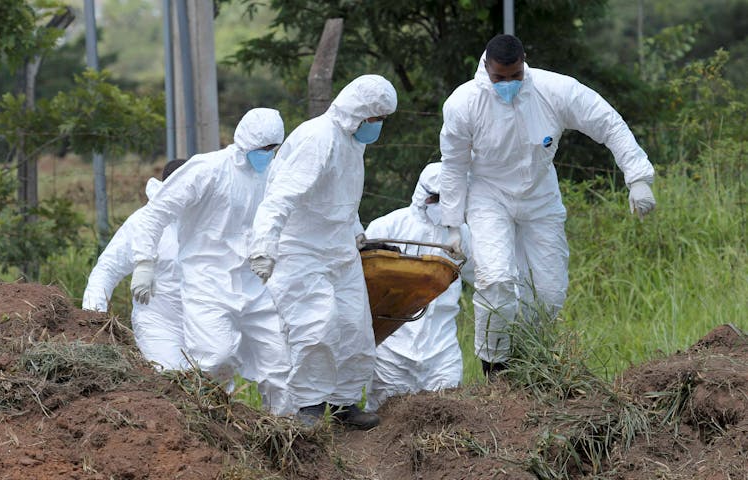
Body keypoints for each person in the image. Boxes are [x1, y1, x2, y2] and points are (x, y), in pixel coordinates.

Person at [439, 34, 656, 377]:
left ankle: (530, 357)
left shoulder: (555, 90)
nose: (508, 84)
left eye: (515, 76)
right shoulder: (464, 103)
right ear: (487, 69)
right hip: (489, 195)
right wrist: (451, 223)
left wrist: (638, 176)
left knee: (550, 292)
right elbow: (452, 164)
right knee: (495, 279)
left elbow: (607, 121)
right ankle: (495, 367)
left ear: (524, 64)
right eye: (500, 79)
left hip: (540, 196)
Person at [248, 74, 397, 429]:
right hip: (302, 249)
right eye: (376, 119)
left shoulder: (351, 142)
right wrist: (264, 245)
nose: (377, 127)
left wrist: (361, 237)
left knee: (353, 327)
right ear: (358, 113)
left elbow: (341, 201)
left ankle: (344, 404)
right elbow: (281, 196)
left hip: (339, 248)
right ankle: (309, 406)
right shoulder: (319, 138)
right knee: (317, 325)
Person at [129, 108, 292, 415]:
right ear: (245, 143)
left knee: (278, 359)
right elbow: (156, 213)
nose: (268, 155)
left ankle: (289, 431)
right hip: (207, 280)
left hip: (254, 281)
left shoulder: (272, 175)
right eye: (263, 149)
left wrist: (268, 251)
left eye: (273, 149)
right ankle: (209, 419)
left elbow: (282, 216)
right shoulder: (207, 169)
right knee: (216, 357)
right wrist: (144, 263)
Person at [363, 162, 473, 412]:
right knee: (384, 424)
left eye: (449, 198)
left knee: (447, 418)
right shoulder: (387, 227)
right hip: (392, 348)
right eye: (436, 198)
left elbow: (485, 278)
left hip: (441, 349)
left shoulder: (462, 235)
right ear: (422, 195)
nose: (442, 204)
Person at [82, 159, 187, 370]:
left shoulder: (212, 219)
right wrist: (94, 317)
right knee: (171, 380)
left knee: (215, 386)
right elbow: (108, 268)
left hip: (206, 323)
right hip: (159, 324)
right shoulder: (143, 223)